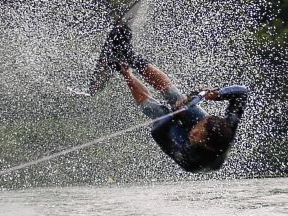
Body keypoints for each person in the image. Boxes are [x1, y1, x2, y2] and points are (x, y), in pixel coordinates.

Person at [100, 23, 248, 173]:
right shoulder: (227, 125)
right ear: (208, 119)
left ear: (207, 145)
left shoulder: (188, 154)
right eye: (199, 127)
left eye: (198, 135)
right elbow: (242, 92)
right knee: (175, 96)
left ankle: (121, 67)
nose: (194, 131)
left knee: (157, 112)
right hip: (210, 135)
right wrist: (216, 94)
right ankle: (128, 54)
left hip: (182, 147)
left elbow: (157, 132)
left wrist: (175, 114)